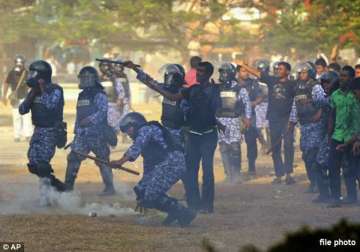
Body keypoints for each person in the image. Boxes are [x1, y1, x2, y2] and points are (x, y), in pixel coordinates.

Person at [123, 60, 222, 213]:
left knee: (194, 170)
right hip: (167, 135)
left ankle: (202, 205)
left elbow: (196, 114)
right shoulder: (174, 90)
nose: (167, 78)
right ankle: (192, 203)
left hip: (184, 136)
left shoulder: (190, 92)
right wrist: (136, 71)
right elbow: (151, 83)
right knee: (182, 169)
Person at [109, 112, 196, 226]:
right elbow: (149, 167)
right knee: (142, 189)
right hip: (166, 165)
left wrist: (120, 161)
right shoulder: (148, 143)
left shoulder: (146, 129)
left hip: (173, 163)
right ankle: (175, 212)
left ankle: (184, 213)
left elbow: (136, 147)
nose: (128, 134)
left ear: (135, 124)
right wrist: (143, 197)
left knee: (151, 194)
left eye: (128, 129)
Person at [238, 61, 297, 185]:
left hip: (287, 120)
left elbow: (295, 103)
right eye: (277, 69)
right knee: (275, 147)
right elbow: (258, 73)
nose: (278, 71)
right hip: (274, 119)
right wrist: (245, 66)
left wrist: (292, 120)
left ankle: (289, 174)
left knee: (288, 146)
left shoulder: (292, 84)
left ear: (287, 71)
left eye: (281, 69)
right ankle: (279, 174)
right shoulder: (272, 81)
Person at [19, 60, 66, 206]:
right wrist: (32, 93)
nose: (31, 76)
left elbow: (51, 106)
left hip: (51, 131)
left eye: (34, 73)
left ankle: (46, 199)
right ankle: (58, 186)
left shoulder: (55, 90)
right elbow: (22, 110)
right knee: (33, 164)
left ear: (43, 76)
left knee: (43, 165)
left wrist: (42, 89)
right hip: (38, 130)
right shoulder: (34, 91)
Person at [65, 66, 116, 196]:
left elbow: (102, 112)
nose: (83, 80)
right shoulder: (82, 95)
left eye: (86, 78)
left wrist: (90, 120)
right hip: (82, 135)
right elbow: (79, 116)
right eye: (82, 77)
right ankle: (68, 188)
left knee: (103, 160)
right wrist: (76, 132)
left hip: (97, 134)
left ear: (92, 79)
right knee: (73, 159)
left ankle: (110, 188)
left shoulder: (99, 94)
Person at [327, 66, 357, 207]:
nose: (341, 78)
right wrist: (329, 135)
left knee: (352, 168)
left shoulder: (355, 95)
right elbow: (332, 116)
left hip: (353, 138)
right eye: (340, 75)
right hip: (337, 136)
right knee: (333, 167)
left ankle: (352, 196)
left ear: (351, 78)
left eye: (345, 76)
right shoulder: (335, 95)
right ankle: (335, 198)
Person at [134, 64, 186, 146]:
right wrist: (135, 69)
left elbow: (172, 97)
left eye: (171, 77)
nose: (169, 79)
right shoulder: (166, 88)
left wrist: (157, 88)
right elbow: (149, 81)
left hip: (179, 132)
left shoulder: (184, 91)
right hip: (166, 128)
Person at [215, 63, 251, 183]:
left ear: (230, 73)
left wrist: (248, 118)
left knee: (235, 147)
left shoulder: (239, 88)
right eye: (221, 72)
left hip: (234, 120)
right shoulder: (217, 88)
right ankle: (228, 174)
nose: (222, 75)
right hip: (220, 120)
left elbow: (247, 104)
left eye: (225, 72)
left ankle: (236, 174)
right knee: (224, 147)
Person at [293, 62, 326, 193]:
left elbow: (324, 102)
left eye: (304, 72)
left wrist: (318, 114)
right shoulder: (297, 87)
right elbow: (294, 106)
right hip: (304, 125)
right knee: (306, 156)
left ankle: (319, 183)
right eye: (300, 72)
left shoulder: (315, 87)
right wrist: (291, 122)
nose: (301, 75)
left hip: (315, 126)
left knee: (313, 155)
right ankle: (312, 182)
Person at [312, 71, 339, 203]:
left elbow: (318, 101)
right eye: (323, 83)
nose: (325, 85)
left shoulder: (334, 97)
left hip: (336, 136)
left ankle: (329, 195)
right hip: (329, 136)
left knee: (321, 164)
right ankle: (326, 194)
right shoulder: (329, 96)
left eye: (328, 82)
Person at [237, 64, 265, 177]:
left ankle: (251, 167)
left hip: (250, 116)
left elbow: (260, 96)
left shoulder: (253, 83)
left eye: (247, 71)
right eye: (243, 71)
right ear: (238, 72)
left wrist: (252, 104)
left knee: (251, 142)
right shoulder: (234, 84)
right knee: (234, 143)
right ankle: (235, 169)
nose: (246, 73)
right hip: (236, 115)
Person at [2, 55, 32, 142]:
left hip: (25, 97)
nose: (19, 66)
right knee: (16, 117)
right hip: (15, 98)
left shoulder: (27, 73)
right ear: (15, 64)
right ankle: (17, 135)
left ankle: (28, 135)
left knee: (26, 117)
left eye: (20, 64)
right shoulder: (11, 73)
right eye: (17, 64)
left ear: (23, 64)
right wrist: (4, 95)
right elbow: (6, 83)